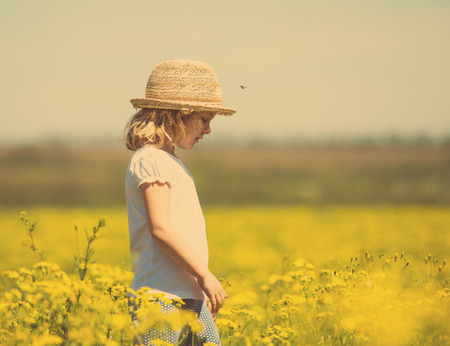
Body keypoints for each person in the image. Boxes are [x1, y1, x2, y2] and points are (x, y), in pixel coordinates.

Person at [124, 59, 236, 345]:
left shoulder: (169, 161)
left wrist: (199, 286)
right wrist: (205, 276)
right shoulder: (150, 159)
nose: (208, 130)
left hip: (189, 298)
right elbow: (160, 229)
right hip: (160, 299)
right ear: (178, 115)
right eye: (204, 119)